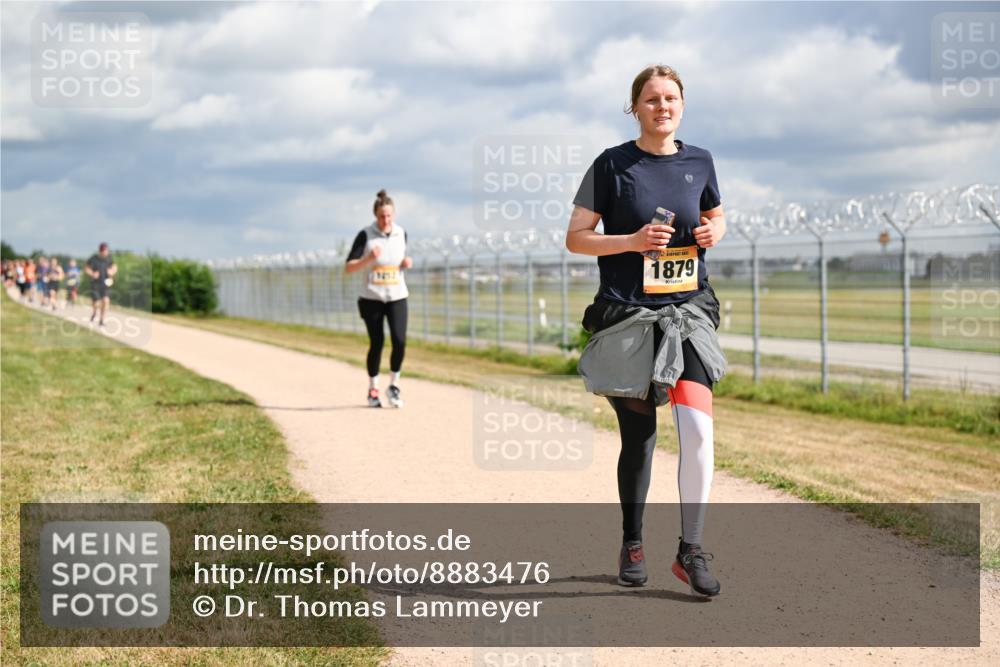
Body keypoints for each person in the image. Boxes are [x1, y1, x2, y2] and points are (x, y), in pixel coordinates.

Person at [566, 65, 728, 597]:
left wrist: (713, 230)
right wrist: (631, 241)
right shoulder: (611, 165)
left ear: (682, 105)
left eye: (672, 98)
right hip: (628, 318)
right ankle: (632, 542)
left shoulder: (699, 160)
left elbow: (717, 215)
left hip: (688, 313)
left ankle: (692, 549)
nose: (663, 106)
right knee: (639, 440)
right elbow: (577, 238)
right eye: (652, 99)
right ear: (634, 107)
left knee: (699, 432)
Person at [344, 189, 412, 408]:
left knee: (400, 341)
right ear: (375, 215)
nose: (386, 220)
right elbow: (348, 267)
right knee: (377, 343)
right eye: (382, 216)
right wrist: (368, 259)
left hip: (397, 296)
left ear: (394, 215)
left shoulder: (401, 233)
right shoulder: (366, 235)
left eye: (389, 216)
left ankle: (394, 385)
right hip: (371, 298)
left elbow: (398, 259)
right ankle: (373, 389)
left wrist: (405, 263)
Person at [85, 242, 117, 327]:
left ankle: (102, 320)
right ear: (100, 251)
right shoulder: (94, 258)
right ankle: (95, 312)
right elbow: (86, 268)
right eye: (103, 251)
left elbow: (114, 267)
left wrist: (112, 272)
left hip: (105, 283)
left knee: (106, 301)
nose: (105, 253)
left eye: (106, 251)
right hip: (95, 284)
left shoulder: (109, 258)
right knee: (96, 303)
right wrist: (92, 273)